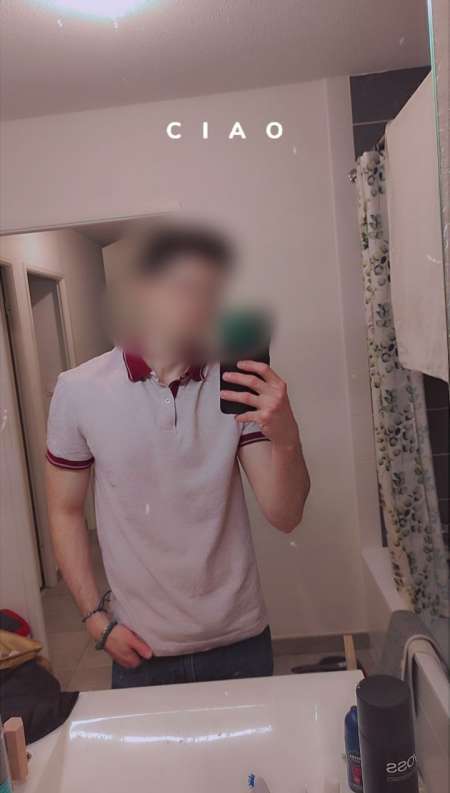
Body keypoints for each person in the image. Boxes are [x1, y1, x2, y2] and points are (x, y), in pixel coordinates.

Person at [45, 225, 310, 688]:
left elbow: (285, 516)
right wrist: (94, 618)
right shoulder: (79, 391)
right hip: (140, 649)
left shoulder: (234, 384)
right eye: (186, 288)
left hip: (240, 641)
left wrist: (286, 436)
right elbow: (65, 511)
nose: (202, 305)